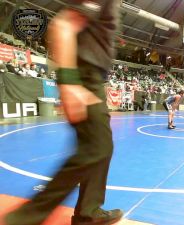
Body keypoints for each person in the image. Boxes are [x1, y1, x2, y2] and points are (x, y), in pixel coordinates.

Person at [4, 0, 123, 225]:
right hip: (83, 77)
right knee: (96, 148)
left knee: (100, 149)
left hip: (92, 79)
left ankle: (88, 212)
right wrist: (69, 83)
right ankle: (22, 219)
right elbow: (64, 24)